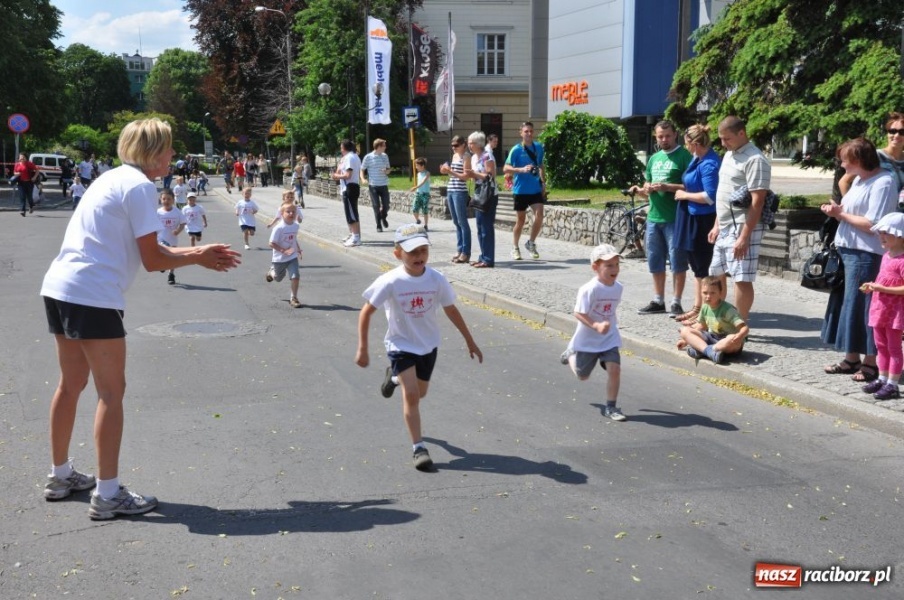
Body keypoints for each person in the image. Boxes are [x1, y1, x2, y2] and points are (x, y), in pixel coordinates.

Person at [39, 118, 241, 520]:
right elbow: (152, 260)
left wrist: (190, 254)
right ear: (153, 152)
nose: (172, 156)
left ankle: (60, 476)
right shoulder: (139, 186)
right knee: (111, 393)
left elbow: (151, 249)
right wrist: (197, 256)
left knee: (71, 384)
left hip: (60, 286)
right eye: (167, 149)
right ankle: (108, 494)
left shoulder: (109, 178)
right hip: (94, 293)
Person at [355, 223, 483, 470]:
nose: (419, 256)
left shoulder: (437, 279)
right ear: (397, 253)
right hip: (400, 345)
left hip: (428, 345)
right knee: (412, 395)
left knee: (419, 393)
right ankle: (419, 448)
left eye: (423, 250)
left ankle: (392, 379)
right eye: (412, 251)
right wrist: (362, 348)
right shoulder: (390, 281)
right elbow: (366, 312)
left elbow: (451, 309)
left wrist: (469, 339)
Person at [822, 138, 898, 383]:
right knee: (848, 305)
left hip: (866, 253)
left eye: (845, 159)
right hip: (848, 250)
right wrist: (837, 211)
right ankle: (851, 357)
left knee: (864, 307)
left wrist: (840, 214)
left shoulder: (883, 182)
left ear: (857, 160)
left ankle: (871, 362)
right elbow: (850, 212)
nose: (842, 163)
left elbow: (874, 224)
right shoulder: (858, 180)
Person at [708, 116, 771, 321]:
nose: (723, 144)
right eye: (721, 139)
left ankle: (740, 324)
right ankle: (719, 318)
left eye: (727, 139)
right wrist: (717, 223)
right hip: (725, 224)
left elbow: (757, 201)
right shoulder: (728, 155)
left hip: (743, 226)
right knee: (716, 273)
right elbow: (725, 192)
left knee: (741, 277)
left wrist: (744, 237)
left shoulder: (755, 160)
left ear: (741, 133)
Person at [629, 120, 692, 316]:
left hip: (676, 218)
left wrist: (668, 187)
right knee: (654, 260)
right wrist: (644, 189)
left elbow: (692, 186)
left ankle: (676, 301)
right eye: (660, 136)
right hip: (654, 217)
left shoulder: (684, 156)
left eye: (667, 136)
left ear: (675, 135)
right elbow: (647, 185)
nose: (664, 140)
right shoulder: (654, 158)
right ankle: (658, 300)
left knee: (677, 261)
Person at [559, 244, 627, 422]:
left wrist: (606, 326)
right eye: (609, 265)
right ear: (595, 268)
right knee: (583, 376)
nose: (615, 269)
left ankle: (611, 407)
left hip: (609, 336)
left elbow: (610, 310)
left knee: (615, 369)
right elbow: (578, 313)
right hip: (588, 338)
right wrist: (596, 326)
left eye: (616, 264)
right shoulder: (589, 289)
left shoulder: (618, 287)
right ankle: (571, 355)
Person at [673, 124, 720, 324]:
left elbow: (711, 197)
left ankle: (704, 313)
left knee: (702, 267)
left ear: (694, 143)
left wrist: (685, 195)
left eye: (687, 143)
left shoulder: (709, 163)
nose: (685, 147)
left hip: (703, 219)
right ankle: (697, 307)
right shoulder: (697, 159)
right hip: (691, 215)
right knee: (696, 267)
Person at [859, 212, 904, 399]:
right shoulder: (886, 256)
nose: (882, 236)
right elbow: (883, 281)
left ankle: (893, 384)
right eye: (881, 232)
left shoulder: (902, 260)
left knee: (894, 348)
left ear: (900, 235)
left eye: (887, 232)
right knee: (881, 346)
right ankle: (882, 378)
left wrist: (882, 288)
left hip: (895, 312)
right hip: (880, 309)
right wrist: (873, 287)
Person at [676, 276, 748, 364]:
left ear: (720, 293)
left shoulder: (727, 309)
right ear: (700, 293)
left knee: (730, 339)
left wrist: (740, 336)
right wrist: (685, 340)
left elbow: (745, 328)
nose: (708, 296)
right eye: (705, 293)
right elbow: (701, 326)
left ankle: (702, 350)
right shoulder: (705, 307)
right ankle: (709, 352)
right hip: (712, 338)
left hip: (727, 343)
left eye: (712, 293)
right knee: (684, 331)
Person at [504, 121, 546, 260]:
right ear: (521, 133)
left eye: (531, 131)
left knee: (539, 215)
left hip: (534, 188)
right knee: (520, 221)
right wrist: (520, 170)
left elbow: (540, 165)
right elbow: (506, 168)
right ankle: (515, 247)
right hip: (520, 190)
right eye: (526, 131)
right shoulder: (516, 149)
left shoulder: (538, 147)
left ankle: (531, 243)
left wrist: (543, 182)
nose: (529, 134)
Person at [840, 112, 904, 196]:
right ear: (887, 133)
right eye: (892, 131)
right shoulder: (874, 156)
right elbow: (844, 182)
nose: (896, 135)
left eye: (902, 132)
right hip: (878, 208)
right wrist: (849, 207)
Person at [439, 135, 472, 263]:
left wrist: (450, 171)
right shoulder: (454, 156)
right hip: (451, 190)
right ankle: (459, 249)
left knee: (463, 222)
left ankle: (466, 252)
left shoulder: (466, 156)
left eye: (456, 145)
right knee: (456, 222)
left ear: (463, 145)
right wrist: (445, 171)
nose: (453, 148)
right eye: (452, 145)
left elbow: (465, 176)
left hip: (460, 191)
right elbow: (452, 173)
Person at [467, 131, 497, 268]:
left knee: (486, 227)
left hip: (489, 195)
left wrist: (474, 173)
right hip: (479, 192)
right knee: (479, 227)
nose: (469, 145)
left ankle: (488, 259)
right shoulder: (474, 157)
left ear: (478, 144)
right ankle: (483, 256)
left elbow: (490, 175)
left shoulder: (487, 156)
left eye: (471, 142)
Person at [266, 203, 303, 308]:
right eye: (288, 211)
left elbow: (294, 238)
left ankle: (294, 298)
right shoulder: (278, 228)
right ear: (282, 214)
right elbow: (271, 243)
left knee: (295, 276)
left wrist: (298, 249)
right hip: (279, 258)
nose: (291, 213)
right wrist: (283, 250)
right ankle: (271, 272)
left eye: (293, 212)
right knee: (278, 278)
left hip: (292, 256)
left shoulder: (296, 226)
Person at [331, 139, 363, 247]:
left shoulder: (349, 157)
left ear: (344, 148)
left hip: (349, 187)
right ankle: (355, 235)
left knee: (351, 214)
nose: (340, 150)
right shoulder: (354, 156)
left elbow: (348, 175)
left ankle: (355, 238)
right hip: (353, 186)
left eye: (341, 147)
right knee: (353, 212)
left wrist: (336, 176)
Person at [361, 138, 392, 232]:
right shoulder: (368, 157)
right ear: (379, 146)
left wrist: (386, 171)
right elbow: (362, 169)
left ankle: (383, 216)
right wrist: (363, 179)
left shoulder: (385, 156)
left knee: (386, 205)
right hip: (373, 185)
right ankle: (378, 225)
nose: (385, 147)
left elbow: (389, 170)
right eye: (384, 146)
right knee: (376, 205)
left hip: (383, 184)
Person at [157, 188, 186, 285]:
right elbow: (152, 224)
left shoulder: (177, 212)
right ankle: (163, 265)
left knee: (172, 256)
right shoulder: (158, 212)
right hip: (160, 238)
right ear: (161, 200)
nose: (166, 201)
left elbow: (183, 223)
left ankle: (171, 274)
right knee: (162, 253)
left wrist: (178, 230)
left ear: (173, 200)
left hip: (172, 239)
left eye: (169, 199)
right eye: (164, 199)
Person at [409, 157, 431, 231]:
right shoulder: (418, 174)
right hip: (418, 193)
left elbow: (423, 181)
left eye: (417, 165)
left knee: (425, 209)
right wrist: (416, 188)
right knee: (414, 208)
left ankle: (426, 225)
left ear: (422, 166)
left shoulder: (427, 173)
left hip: (425, 194)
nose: (416, 167)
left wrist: (415, 187)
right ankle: (418, 220)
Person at [235, 186, 260, 250]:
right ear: (242, 194)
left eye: (248, 194)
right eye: (245, 193)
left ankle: (249, 232)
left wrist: (253, 212)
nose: (247, 195)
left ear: (250, 195)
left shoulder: (252, 203)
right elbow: (237, 207)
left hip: (251, 221)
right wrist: (237, 212)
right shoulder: (240, 202)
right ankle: (246, 244)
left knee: (252, 234)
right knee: (245, 232)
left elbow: (256, 209)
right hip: (243, 220)